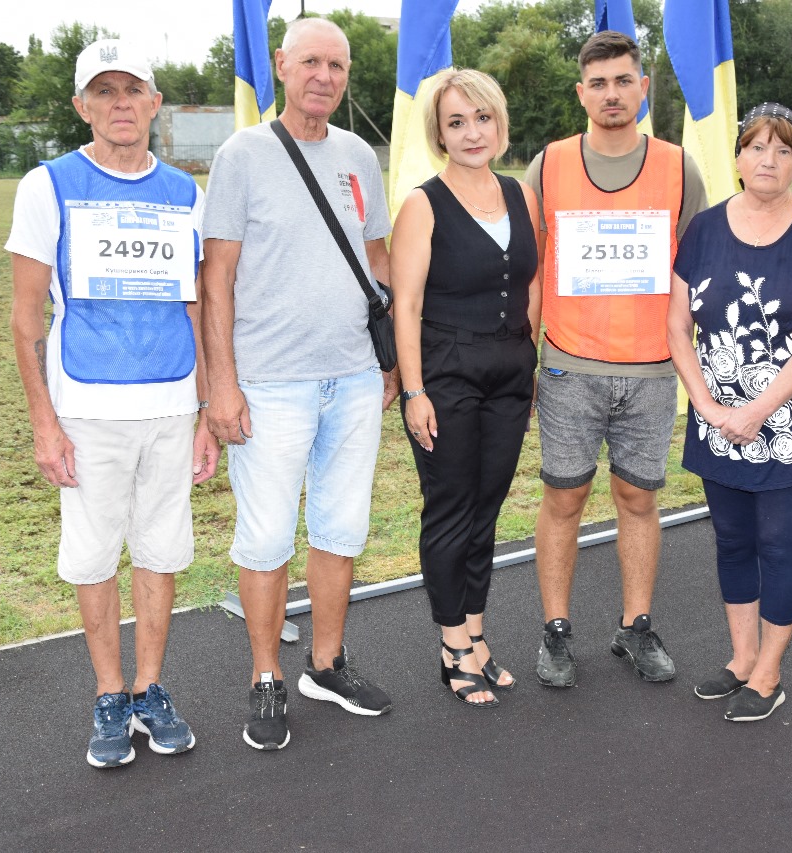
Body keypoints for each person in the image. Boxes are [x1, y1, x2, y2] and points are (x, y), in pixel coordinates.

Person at [7, 39, 218, 768]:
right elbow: (26, 316)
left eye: (134, 89)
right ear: (81, 107)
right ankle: (108, 694)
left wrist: (204, 411)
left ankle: (150, 687)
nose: (121, 103)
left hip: (168, 407)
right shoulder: (48, 185)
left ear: (156, 102)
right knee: (94, 556)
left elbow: (198, 309)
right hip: (86, 411)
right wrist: (44, 422)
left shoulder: (187, 191)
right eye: (104, 91)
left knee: (161, 551)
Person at [201, 17, 397, 751]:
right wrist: (221, 385)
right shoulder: (241, 154)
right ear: (282, 65)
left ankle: (325, 663)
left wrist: (392, 362)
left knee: (342, 527)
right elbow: (215, 277)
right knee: (266, 535)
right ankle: (265, 676)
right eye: (311, 61)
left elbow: (376, 260)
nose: (324, 76)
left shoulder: (357, 156)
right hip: (271, 382)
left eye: (338, 66)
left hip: (351, 376)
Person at [526, 30, 708, 687]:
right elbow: (530, 273)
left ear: (643, 87)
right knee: (564, 498)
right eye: (598, 83)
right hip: (570, 366)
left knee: (637, 498)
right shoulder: (546, 165)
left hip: (653, 370)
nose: (611, 93)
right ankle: (555, 631)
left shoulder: (678, 166)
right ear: (581, 92)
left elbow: (696, 272)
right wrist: (527, 357)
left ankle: (635, 627)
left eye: (623, 80)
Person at [667, 103, 792, 722]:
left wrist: (757, 410)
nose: (767, 160)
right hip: (718, 418)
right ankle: (741, 658)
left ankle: (769, 671)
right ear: (739, 157)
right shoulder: (704, 228)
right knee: (732, 541)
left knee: (778, 543)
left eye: (783, 150)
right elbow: (676, 327)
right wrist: (706, 403)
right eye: (755, 147)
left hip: (787, 425)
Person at [391, 70, 541, 707]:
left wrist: (528, 370)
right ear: (439, 134)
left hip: (510, 376)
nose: (471, 132)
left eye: (481, 118)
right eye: (456, 122)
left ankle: (477, 634)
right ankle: (452, 644)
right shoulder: (423, 204)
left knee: (487, 510)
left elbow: (529, 286)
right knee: (451, 512)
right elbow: (406, 307)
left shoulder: (519, 195)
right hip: (446, 376)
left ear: (499, 123)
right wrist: (414, 392)